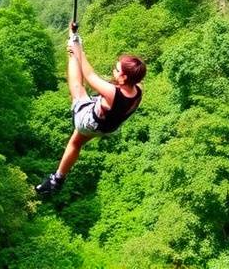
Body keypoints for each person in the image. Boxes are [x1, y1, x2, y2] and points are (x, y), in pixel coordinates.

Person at [35, 24, 146, 195]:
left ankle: (70, 53)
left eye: (116, 70)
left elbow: (89, 75)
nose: (113, 70)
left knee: (78, 88)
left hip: (89, 122)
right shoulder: (138, 89)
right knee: (76, 143)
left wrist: (75, 44)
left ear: (124, 77)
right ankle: (57, 178)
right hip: (107, 127)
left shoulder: (112, 93)